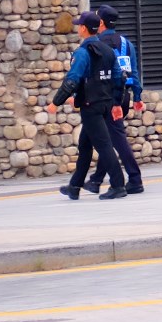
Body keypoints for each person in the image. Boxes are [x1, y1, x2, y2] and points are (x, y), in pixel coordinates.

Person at [51, 12, 127, 200]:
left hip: (90, 106)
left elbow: (72, 80)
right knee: (85, 145)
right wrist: (116, 103)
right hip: (105, 104)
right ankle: (74, 186)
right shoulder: (108, 50)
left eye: (79, 25)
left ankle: (118, 185)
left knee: (104, 146)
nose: (77, 28)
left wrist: (56, 102)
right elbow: (119, 77)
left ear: (84, 28)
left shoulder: (83, 52)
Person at [77, 4, 144, 196]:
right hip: (123, 96)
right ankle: (95, 180)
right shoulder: (126, 43)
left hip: (106, 98)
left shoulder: (98, 45)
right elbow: (134, 72)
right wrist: (137, 96)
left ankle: (134, 178)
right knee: (105, 138)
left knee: (114, 139)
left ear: (101, 23)